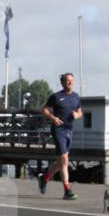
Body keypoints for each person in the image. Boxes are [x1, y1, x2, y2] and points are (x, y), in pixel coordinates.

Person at [38, 72, 82, 200]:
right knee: (64, 160)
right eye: (68, 81)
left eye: (72, 81)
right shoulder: (56, 97)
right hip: (58, 131)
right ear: (63, 82)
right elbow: (44, 110)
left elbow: (80, 111)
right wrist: (53, 118)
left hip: (69, 131)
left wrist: (77, 115)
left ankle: (44, 177)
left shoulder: (75, 97)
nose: (70, 83)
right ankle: (67, 191)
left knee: (61, 162)